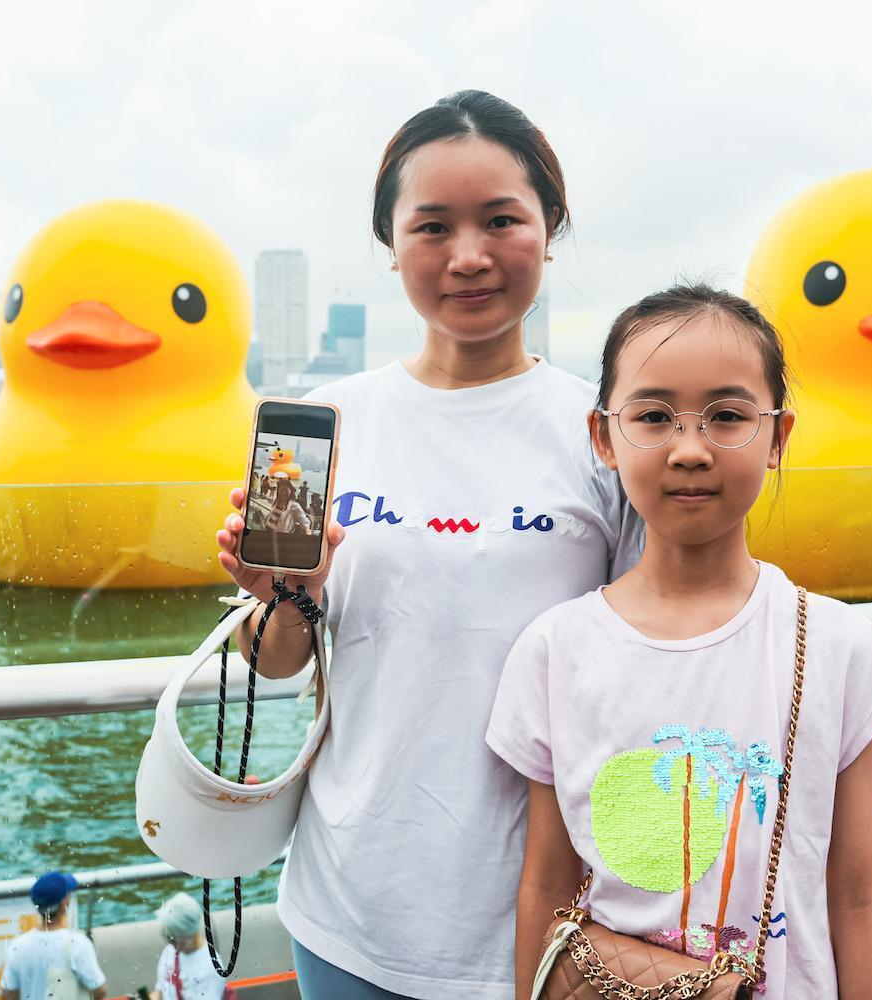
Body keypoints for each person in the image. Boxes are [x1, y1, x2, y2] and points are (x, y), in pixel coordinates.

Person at [212, 91, 638, 998]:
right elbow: (278, 662)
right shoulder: (325, 423)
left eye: (502, 221)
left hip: (551, 915)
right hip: (352, 907)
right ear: (392, 244)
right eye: (434, 227)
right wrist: (285, 595)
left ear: (549, 228)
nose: (469, 256)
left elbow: (656, 661)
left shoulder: (605, 433)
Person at [489, 284, 872, 999]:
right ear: (604, 437)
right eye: (654, 417)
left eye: (727, 416)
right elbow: (547, 885)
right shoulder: (555, 650)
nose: (690, 449)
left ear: (778, 437)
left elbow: (862, 896)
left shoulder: (839, 645)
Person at [1, 871, 108, 1000]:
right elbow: (99, 990)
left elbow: (9, 994)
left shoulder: (17, 946)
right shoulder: (77, 943)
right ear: (64, 904)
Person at [149, 893, 227, 1000]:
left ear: (189, 934)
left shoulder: (210, 967)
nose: (172, 946)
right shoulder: (170, 951)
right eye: (169, 940)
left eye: (175, 941)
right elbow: (159, 993)